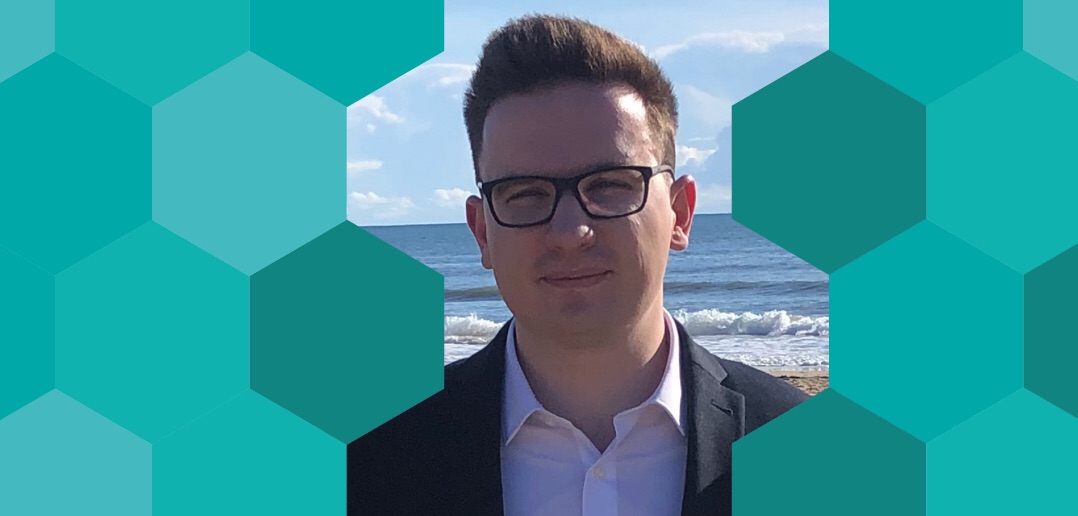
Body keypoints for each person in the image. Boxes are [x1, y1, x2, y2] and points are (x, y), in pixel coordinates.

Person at [347, 14, 808, 516]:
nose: (570, 233)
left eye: (610, 185)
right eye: (524, 193)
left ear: (680, 213)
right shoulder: (367, 460)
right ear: (482, 231)